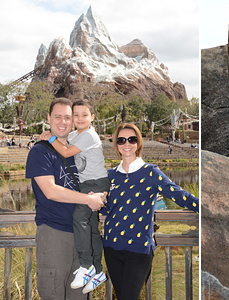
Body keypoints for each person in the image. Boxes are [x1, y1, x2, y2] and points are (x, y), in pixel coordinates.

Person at [101, 123, 199, 299]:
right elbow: (108, 209)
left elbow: (178, 194)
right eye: (121, 140)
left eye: (131, 139)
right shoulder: (110, 175)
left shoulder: (150, 172)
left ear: (138, 143)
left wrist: (204, 206)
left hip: (139, 248)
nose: (127, 144)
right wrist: (94, 201)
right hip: (112, 246)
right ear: (116, 144)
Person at [25, 97, 106, 299]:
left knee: (79, 295)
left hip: (83, 235)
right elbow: (50, 191)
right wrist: (88, 200)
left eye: (67, 117)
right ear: (49, 118)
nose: (63, 122)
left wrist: (102, 193)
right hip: (55, 233)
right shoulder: (41, 151)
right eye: (57, 117)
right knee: (53, 291)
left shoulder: (77, 150)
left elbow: (96, 176)